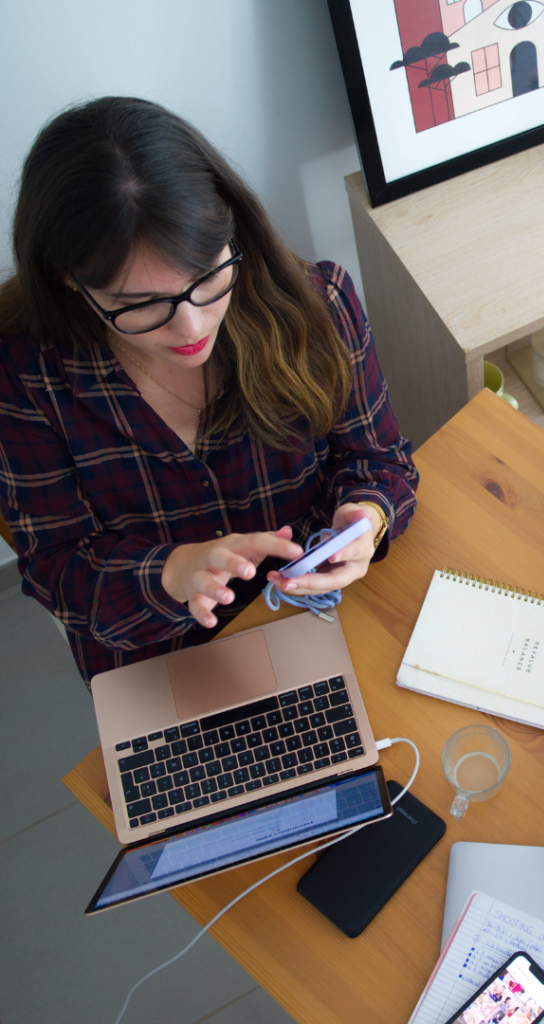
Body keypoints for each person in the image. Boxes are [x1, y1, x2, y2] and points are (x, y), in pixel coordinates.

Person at [0, 97, 418, 683]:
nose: (192, 327)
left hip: (319, 618)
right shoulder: (24, 376)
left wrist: (367, 516)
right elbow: (57, 570)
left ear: (229, 230)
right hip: (161, 659)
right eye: (139, 306)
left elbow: (381, 461)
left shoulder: (316, 306)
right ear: (70, 280)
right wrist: (171, 574)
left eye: (207, 278)